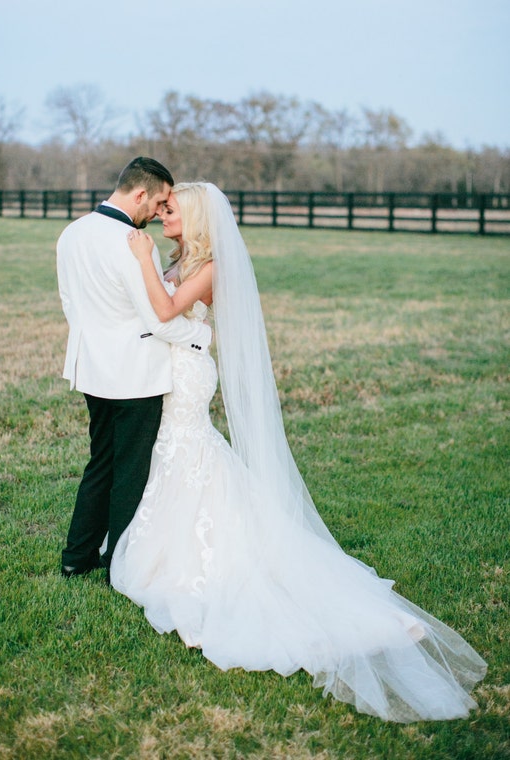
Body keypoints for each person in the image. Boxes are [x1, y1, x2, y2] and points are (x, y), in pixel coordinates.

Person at [109, 182, 487, 723]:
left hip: (188, 377)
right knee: (179, 455)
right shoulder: (182, 258)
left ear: (193, 219)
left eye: (170, 210)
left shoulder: (210, 267)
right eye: (160, 207)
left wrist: (142, 259)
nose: (161, 216)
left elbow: (167, 308)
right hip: (171, 370)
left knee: (187, 449)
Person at [56, 158, 212, 579]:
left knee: (100, 462)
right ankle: (118, 566)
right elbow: (158, 319)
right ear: (140, 194)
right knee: (130, 472)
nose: (158, 212)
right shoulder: (130, 241)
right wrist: (201, 341)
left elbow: (71, 305)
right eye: (159, 201)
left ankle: (76, 556)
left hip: (92, 369)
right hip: (137, 374)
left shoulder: (71, 233)